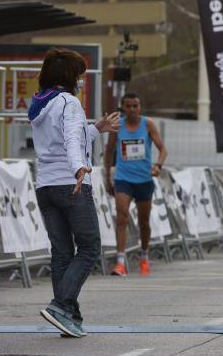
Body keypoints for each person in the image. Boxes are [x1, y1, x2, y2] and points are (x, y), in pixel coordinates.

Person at [28, 48, 120, 338]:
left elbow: (63, 139)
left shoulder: (40, 104)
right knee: (91, 246)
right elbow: (69, 140)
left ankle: (70, 316)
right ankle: (60, 305)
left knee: (62, 253)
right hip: (72, 184)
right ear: (70, 77)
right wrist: (79, 168)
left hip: (46, 185)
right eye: (79, 75)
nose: (81, 81)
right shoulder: (69, 102)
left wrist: (96, 129)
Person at [104, 93, 168, 276]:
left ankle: (144, 256)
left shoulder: (147, 124)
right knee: (122, 216)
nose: (132, 109)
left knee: (144, 222)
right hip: (123, 179)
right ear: (123, 108)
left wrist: (158, 165)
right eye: (128, 106)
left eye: (135, 106)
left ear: (139, 107)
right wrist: (108, 175)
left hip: (144, 180)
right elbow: (109, 151)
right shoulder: (117, 126)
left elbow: (163, 149)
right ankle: (120, 262)